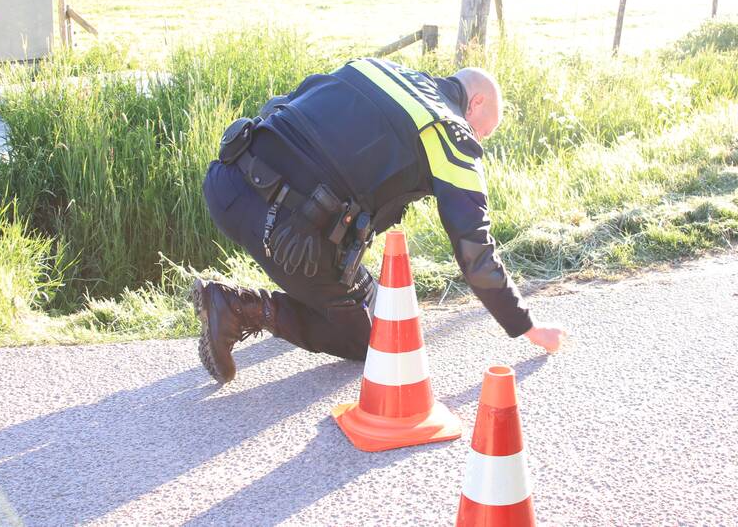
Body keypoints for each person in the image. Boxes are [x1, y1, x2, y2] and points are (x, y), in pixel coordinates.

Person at [194, 57, 567, 385]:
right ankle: (240, 308)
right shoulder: (450, 133)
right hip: (287, 237)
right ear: (476, 103)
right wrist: (528, 328)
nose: (479, 139)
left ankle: (319, 290)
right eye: (484, 131)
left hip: (227, 181)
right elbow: (475, 251)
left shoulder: (375, 67)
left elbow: (284, 106)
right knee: (370, 339)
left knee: (361, 287)